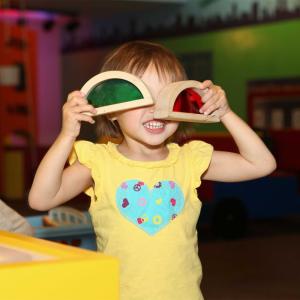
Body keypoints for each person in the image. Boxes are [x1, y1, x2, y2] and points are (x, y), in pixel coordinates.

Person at [28, 41, 276, 300]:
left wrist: (225, 113)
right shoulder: (98, 163)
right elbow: (41, 198)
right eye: (138, 97)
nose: (156, 109)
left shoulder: (189, 160)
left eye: (168, 97)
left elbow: (261, 163)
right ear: (111, 111)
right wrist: (67, 135)